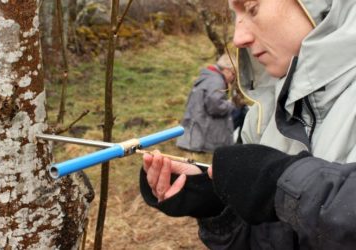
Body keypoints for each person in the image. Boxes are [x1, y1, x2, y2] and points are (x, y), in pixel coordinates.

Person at [139, 0, 356, 249]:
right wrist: (220, 207)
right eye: (236, 16)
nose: (238, 38)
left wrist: (288, 182)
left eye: (252, 8)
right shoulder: (262, 116)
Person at [176, 54, 236, 152]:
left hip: (194, 132)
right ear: (227, 70)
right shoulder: (216, 81)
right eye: (233, 74)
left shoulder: (207, 77)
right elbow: (215, 107)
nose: (233, 78)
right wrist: (232, 104)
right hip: (203, 137)